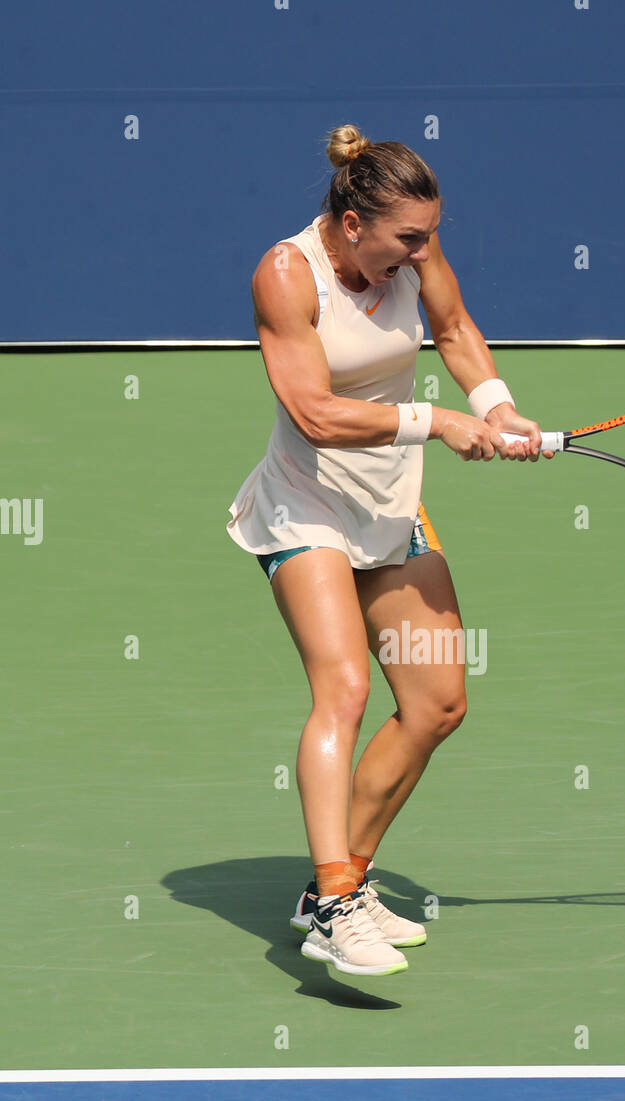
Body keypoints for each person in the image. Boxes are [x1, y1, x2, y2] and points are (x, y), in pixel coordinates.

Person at [226, 124, 547, 978]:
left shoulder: (414, 253)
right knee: (346, 687)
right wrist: (438, 421)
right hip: (307, 505)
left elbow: (453, 324)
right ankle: (333, 903)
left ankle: (345, 882)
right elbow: (317, 416)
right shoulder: (285, 273)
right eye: (405, 238)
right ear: (352, 218)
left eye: (427, 237)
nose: (419, 253)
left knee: (438, 701)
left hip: (388, 507)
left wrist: (497, 402)